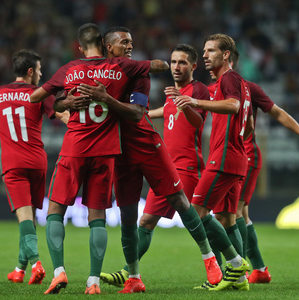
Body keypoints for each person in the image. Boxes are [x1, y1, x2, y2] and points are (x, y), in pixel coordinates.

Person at [74, 27, 222, 293]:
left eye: (132, 41)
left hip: (147, 144)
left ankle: (210, 259)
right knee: (129, 217)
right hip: (120, 151)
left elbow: (136, 113)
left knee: (180, 200)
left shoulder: (137, 71)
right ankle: (134, 277)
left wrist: (107, 97)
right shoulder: (95, 73)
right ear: (109, 47)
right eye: (125, 42)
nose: (131, 45)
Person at [30, 23, 159, 295]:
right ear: (103, 44)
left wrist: (64, 102)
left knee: (55, 211)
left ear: (79, 46)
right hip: (106, 151)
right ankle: (93, 282)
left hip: (74, 148)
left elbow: (36, 98)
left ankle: (59, 272)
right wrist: (147, 65)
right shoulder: (121, 67)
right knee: (97, 216)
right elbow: (158, 66)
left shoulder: (69, 69)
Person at [99, 43, 209, 285]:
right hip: (168, 165)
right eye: (173, 62)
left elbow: (198, 122)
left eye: (182, 62)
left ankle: (228, 266)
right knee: (147, 222)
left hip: (188, 166)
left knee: (203, 219)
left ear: (193, 65)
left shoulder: (197, 90)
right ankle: (129, 272)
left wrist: (185, 102)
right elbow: (153, 113)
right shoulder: (172, 96)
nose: (176, 67)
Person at [213, 49, 299, 284]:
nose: (208, 58)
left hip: (246, 156)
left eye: (212, 53)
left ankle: (237, 270)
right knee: (240, 214)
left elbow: (277, 113)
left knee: (233, 213)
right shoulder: (214, 89)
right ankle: (259, 269)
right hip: (228, 156)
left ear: (228, 60)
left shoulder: (248, 87)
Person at [0, 49, 68, 286]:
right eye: (40, 70)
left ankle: (36, 264)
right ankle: (19, 270)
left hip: (13, 163)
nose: (42, 75)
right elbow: (62, 116)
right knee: (31, 218)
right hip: (38, 162)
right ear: (31, 71)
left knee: (24, 218)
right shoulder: (39, 93)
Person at [173, 33, 254, 291]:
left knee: (196, 213)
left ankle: (236, 262)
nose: (205, 55)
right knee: (227, 218)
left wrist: (197, 101)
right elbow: (249, 123)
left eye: (210, 51)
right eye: (204, 51)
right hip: (236, 158)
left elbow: (233, 106)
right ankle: (239, 281)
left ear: (226, 54)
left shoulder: (230, 79)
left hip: (224, 159)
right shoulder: (231, 82)